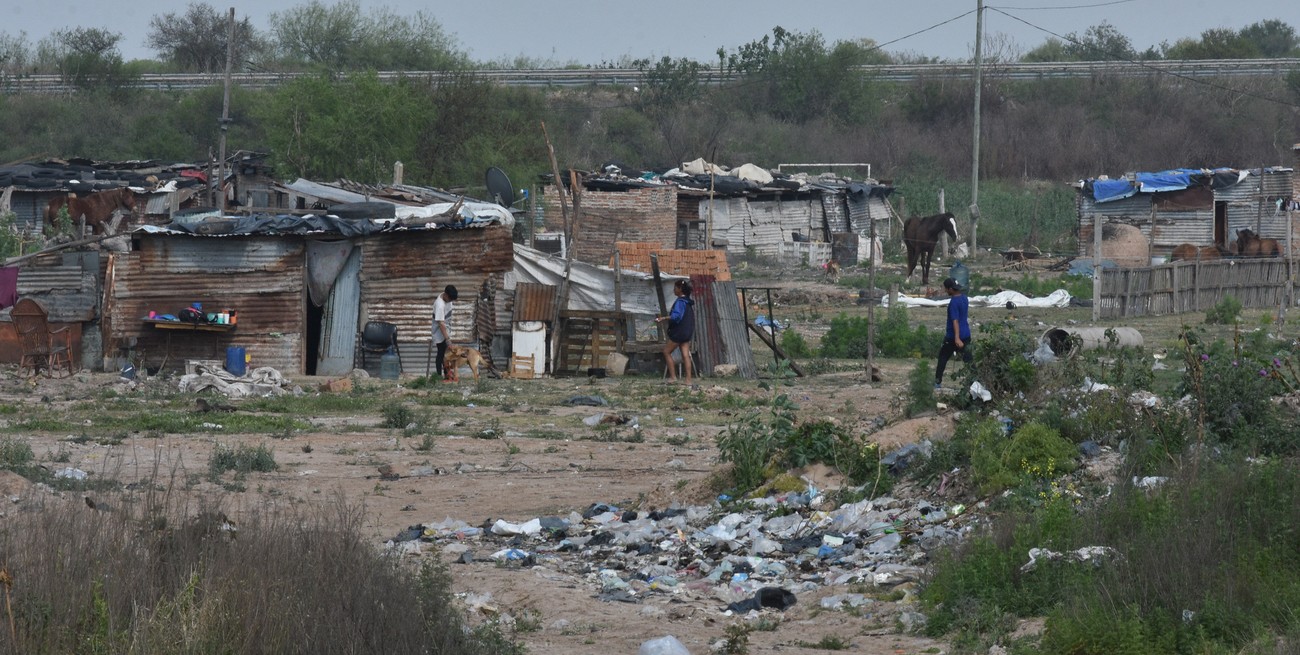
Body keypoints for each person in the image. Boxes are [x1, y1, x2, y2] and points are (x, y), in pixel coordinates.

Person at [655, 279, 695, 385]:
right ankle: (688, 380)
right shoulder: (688, 302)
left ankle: (673, 377)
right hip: (687, 332)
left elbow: (676, 317)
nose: (674, 290)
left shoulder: (680, 302)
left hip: (679, 332)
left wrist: (663, 318)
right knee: (685, 355)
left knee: (666, 352)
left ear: (680, 289)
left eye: (675, 288)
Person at [935, 277, 972, 389]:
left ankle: (937, 382)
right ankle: (975, 381)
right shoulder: (964, 298)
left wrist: (956, 338)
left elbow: (955, 321)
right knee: (969, 360)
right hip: (966, 334)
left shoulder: (953, 303)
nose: (946, 291)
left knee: (943, 358)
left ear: (951, 289)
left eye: (946, 289)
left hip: (953, 337)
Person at [431, 285, 458, 380]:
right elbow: (441, 324)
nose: (451, 301)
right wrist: (447, 339)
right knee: (441, 354)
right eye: (450, 299)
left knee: (446, 355)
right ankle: (439, 376)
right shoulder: (439, 304)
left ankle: (447, 375)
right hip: (439, 333)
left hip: (446, 330)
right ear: (446, 295)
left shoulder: (447, 299)